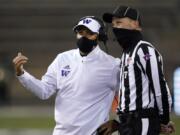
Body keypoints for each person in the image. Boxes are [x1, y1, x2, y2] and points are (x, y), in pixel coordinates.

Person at [12, 16, 120, 135]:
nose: (83, 36)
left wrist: (118, 123)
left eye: (89, 33)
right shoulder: (62, 59)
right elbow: (44, 91)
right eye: (80, 32)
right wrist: (21, 74)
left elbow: (130, 98)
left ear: (100, 36)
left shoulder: (113, 65)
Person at [97, 6, 175, 135]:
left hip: (142, 122)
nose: (115, 27)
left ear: (135, 24)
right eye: (114, 24)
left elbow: (160, 87)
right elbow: (129, 98)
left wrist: (164, 120)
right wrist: (118, 122)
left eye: (119, 22)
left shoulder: (144, 49)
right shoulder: (127, 54)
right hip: (128, 124)